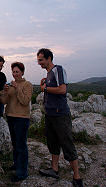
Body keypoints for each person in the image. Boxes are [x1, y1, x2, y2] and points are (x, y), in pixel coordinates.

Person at [37, 48, 83, 187]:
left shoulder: (58, 69)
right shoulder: (50, 73)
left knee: (67, 143)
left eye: (41, 60)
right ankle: (54, 169)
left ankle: (77, 177)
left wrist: (45, 89)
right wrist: (45, 85)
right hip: (50, 114)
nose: (39, 63)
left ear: (49, 58)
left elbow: (63, 90)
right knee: (53, 142)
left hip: (60, 114)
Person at [0, 62, 33, 182]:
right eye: (13, 72)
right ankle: (16, 164)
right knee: (15, 144)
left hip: (22, 118)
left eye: (17, 72)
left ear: (22, 72)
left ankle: (22, 173)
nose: (15, 74)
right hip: (10, 116)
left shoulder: (27, 84)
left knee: (21, 145)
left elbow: (25, 101)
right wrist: (4, 91)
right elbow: (4, 101)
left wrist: (17, 87)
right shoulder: (11, 85)